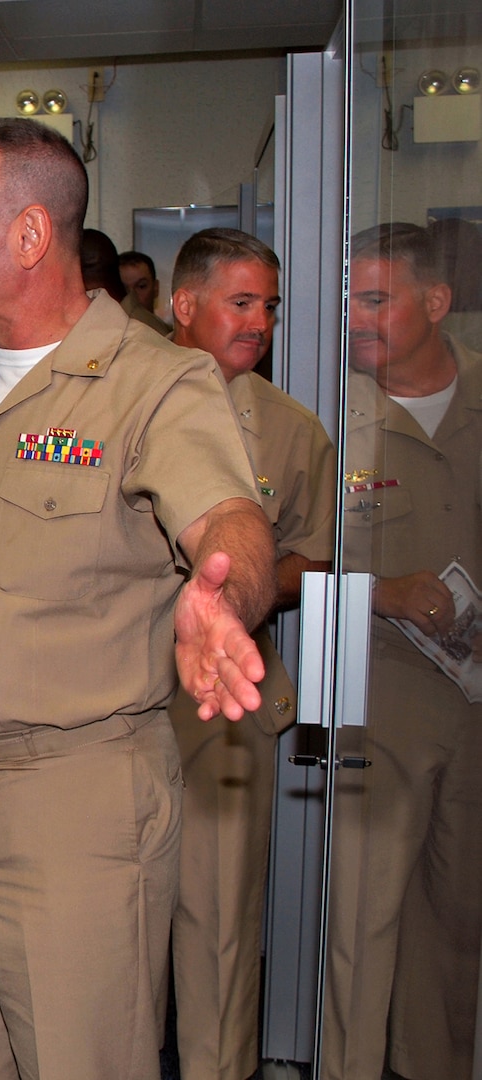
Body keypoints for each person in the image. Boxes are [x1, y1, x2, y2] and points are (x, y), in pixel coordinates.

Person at [0, 118, 276, 1080]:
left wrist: (226, 600)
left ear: (29, 236)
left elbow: (231, 525)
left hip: (80, 803)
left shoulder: (154, 383)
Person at [165, 228, 336, 1080]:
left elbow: (316, 553)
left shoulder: (290, 431)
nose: (261, 321)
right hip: (110, 698)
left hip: (223, 707)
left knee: (222, 927)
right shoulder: (119, 398)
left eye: (269, 306)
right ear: (183, 304)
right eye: (242, 302)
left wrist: (249, 588)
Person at [323, 222, 482, 1080]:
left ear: (436, 302)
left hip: (476, 704)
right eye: (349, 301)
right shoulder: (331, 413)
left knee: (458, 919)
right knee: (363, 920)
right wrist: (384, 593)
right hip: (377, 693)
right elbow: (293, 562)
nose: (356, 319)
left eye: (376, 299)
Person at [121, 249, 174, 335]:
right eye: (123, 288)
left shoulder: (172, 340)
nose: (131, 297)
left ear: (156, 288)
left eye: (141, 286)